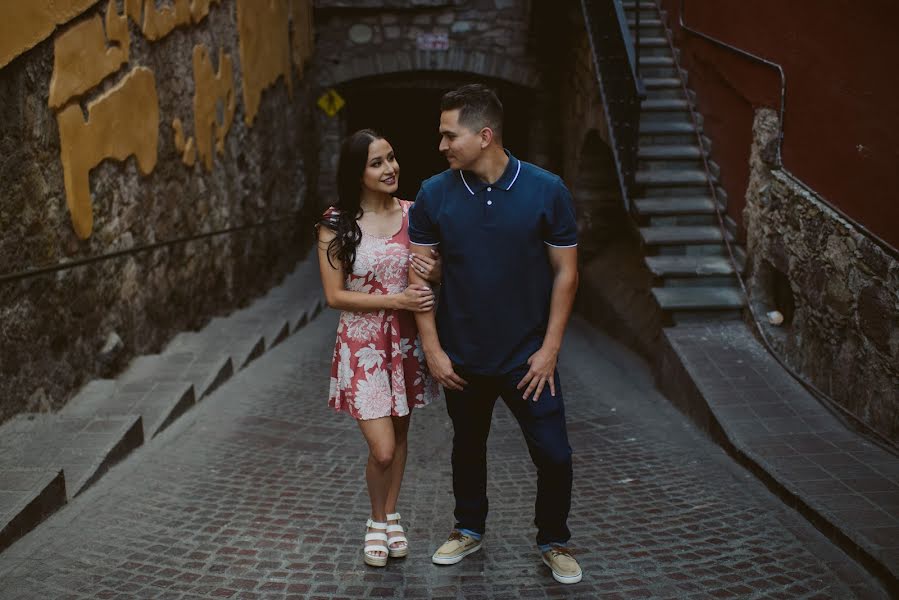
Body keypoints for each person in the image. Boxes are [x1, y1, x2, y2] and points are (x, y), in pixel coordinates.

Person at [408, 84, 582, 584]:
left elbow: (566, 272)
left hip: (529, 356)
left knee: (555, 453)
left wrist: (548, 350)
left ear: (484, 136)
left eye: (449, 135)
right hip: (462, 352)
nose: (441, 146)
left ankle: (554, 538)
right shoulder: (434, 193)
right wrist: (434, 350)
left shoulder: (547, 189)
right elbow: (419, 275)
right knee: (467, 445)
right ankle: (468, 527)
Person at [317, 129, 442, 568]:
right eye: (376, 162)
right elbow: (334, 296)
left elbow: (431, 274)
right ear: (358, 172)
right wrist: (395, 300)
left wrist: (435, 270)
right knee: (382, 448)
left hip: (405, 343)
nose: (389, 168)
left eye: (391, 158)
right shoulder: (336, 223)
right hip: (362, 342)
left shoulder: (415, 214)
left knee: (402, 435)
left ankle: (392, 516)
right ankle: (375, 520)